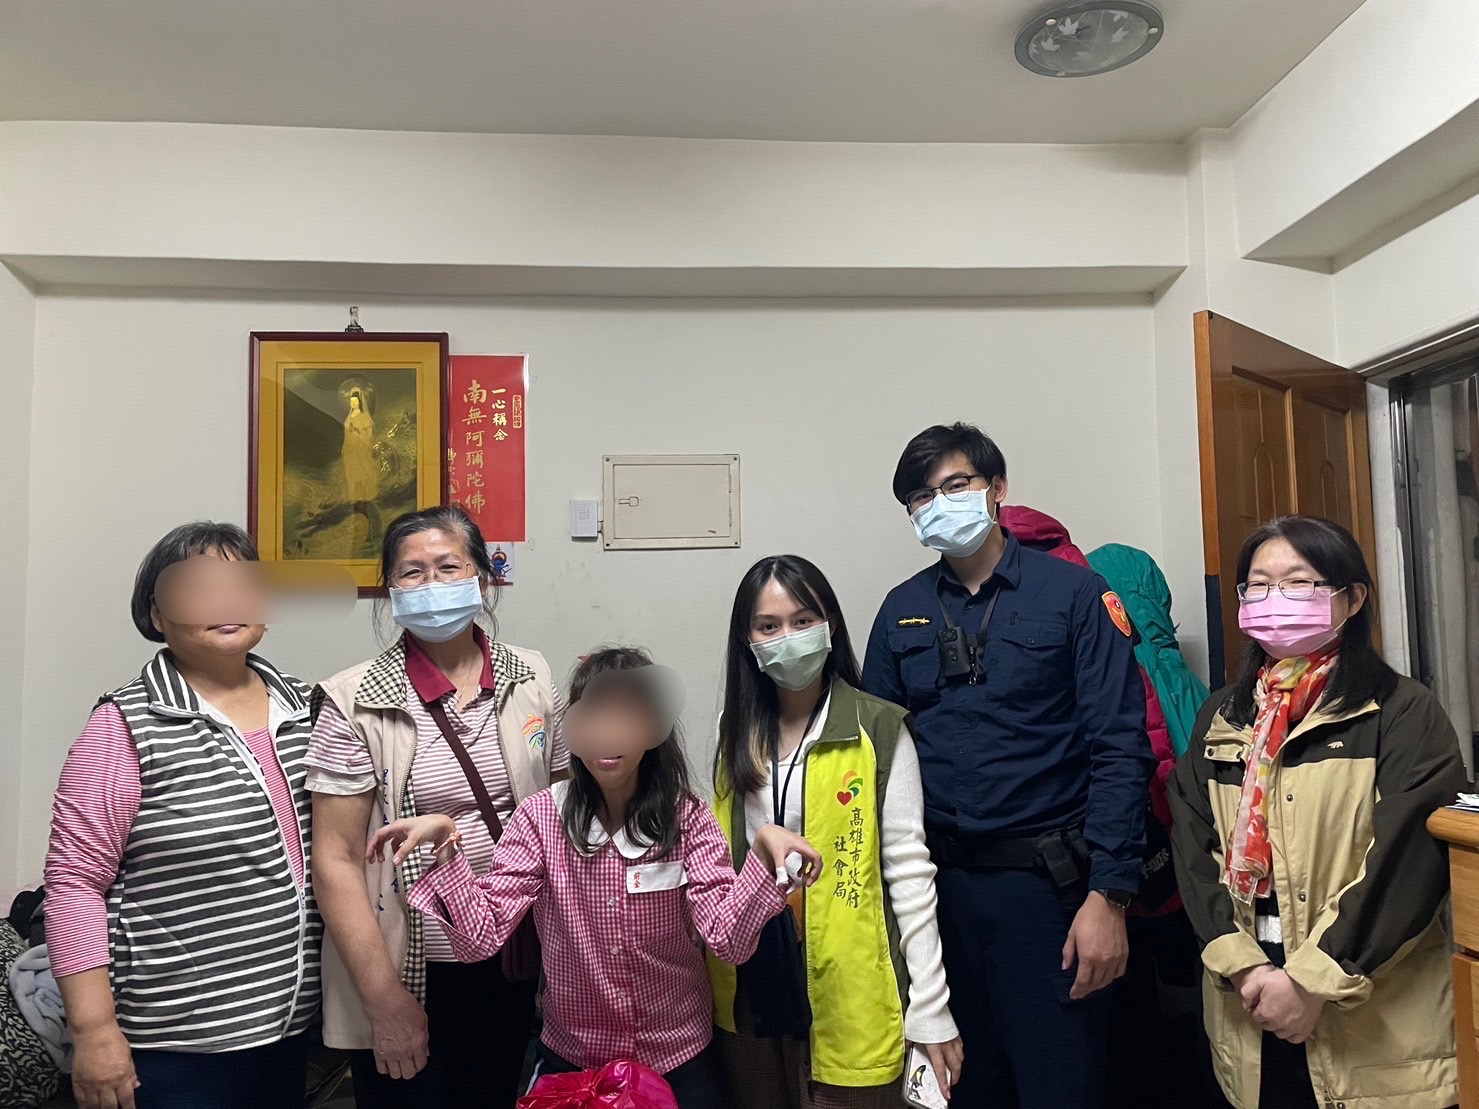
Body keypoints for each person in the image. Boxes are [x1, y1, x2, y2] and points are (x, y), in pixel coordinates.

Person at [372, 647, 820, 1109]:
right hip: (575, 1063)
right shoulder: (540, 818)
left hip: (679, 1059)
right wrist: (447, 849)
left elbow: (728, 942)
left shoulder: (688, 818)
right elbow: (480, 940)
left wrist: (763, 856)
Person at [862, 423, 1155, 1109]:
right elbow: (875, 759)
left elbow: (1120, 746)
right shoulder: (901, 610)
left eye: (955, 485)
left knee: (1060, 1085)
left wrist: (1109, 896)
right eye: (920, 496)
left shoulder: (1075, 595)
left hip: (1048, 893)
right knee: (964, 1087)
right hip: (938, 897)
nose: (937, 503)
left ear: (996, 488)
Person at [1169, 515, 1466, 1109]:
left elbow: (1405, 864)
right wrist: (1245, 968)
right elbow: (1194, 846)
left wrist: (1309, 983)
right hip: (1250, 1001)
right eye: (1258, 585)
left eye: (1299, 582)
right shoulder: (1222, 717)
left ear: (1352, 599)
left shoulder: (1401, 712)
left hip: (1368, 1009)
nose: (1274, 599)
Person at [44, 522, 321, 1109]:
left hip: (293, 1026)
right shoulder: (123, 723)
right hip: (173, 1041)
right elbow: (74, 883)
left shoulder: (310, 707)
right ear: (157, 612)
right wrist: (94, 1031)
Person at [308, 505, 567, 1109]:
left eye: (448, 567)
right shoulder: (353, 699)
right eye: (412, 572)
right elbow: (336, 860)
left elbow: (561, 808)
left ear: (482, 577)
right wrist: (384, 1001)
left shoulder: (531, 676)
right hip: (411, 961)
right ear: (390, 589)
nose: (431, 584)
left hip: (512, 952)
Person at [709, 555, 962, 1107]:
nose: (788, 638)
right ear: (747, 641)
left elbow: (910, 873)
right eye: (768, 626)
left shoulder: (879, 726)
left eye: (802, 621)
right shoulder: (737, 732)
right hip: (754, 975)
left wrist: (931, 1005)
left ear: (829, 626)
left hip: (849, 980)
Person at [343, 389, 378, 504]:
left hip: (361, 449)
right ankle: (355, 496)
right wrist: (345, 446)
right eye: (351, 401)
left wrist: (358, 431)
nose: (353, 403)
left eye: (355, 401)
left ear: (359, 402)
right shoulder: (349, 417)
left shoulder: (364, 417)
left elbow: (369, 434)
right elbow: (347, 434)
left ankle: (367, 495)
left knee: (364, 470)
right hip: (351, 450)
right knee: (352, 472)